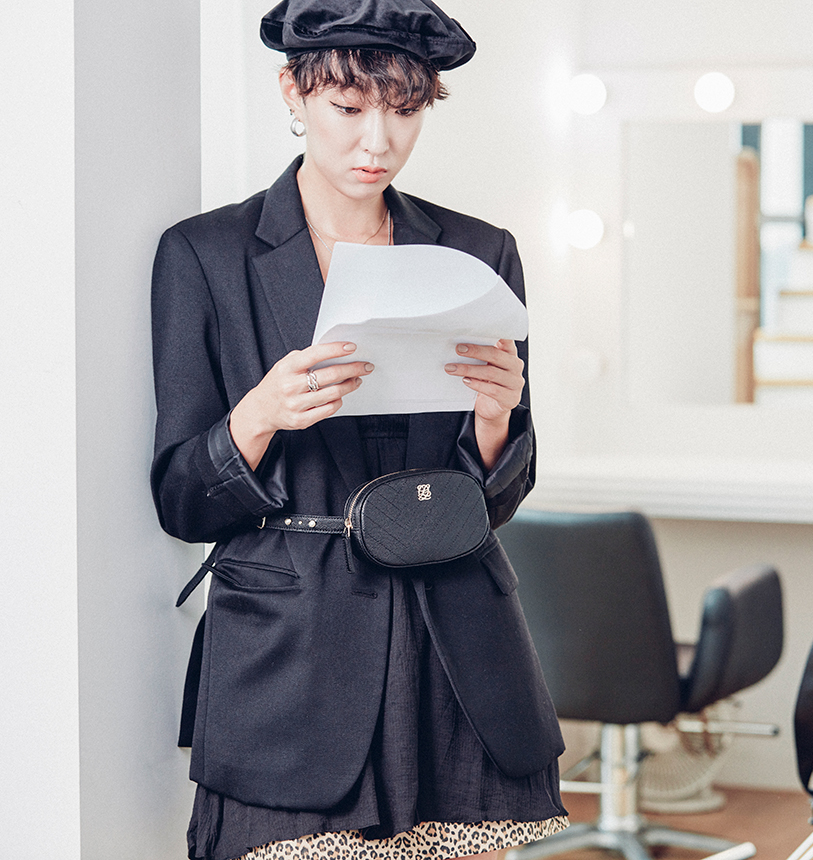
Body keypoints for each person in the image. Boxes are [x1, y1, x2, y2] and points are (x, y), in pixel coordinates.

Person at [149, 2, 568, 858]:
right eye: (347, 108)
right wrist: (259, 416)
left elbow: (497, 499)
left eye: (404, 111)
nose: (377, 141)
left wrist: (496, 423)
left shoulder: (479, 252)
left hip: (456, 645)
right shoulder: (205, 256)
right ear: (292, 92)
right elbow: (181, 501)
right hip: (292, 655)